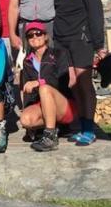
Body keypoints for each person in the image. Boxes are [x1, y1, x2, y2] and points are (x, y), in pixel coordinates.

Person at [52, 0, 106, 147]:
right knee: (72, 83)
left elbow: (95, 12)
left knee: (84, 83)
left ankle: (89, 130)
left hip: (81, 39)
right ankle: (81, 126)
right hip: (61, 41)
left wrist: (99, 44)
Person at [19, 22, 78, 152]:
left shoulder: (59, 53)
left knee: (44, 88)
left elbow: (63, 81)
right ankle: (55, 127)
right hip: (42, 103)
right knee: (26, 119)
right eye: (30, 35)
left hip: (64, 104)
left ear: (46, 36)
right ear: (27, 40)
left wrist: (39, 82)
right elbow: (27, 91)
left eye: (38, 33)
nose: (34, 37)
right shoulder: (27, 61)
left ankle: (50, 137)